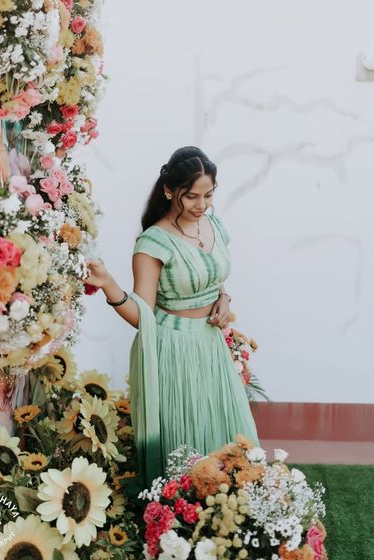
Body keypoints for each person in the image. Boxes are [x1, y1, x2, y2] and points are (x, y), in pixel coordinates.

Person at [86, 146, 259, 487]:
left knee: (225, 435)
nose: (201, 205)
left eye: (208, 195)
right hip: (174, 349)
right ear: (169, 191)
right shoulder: (154, 242)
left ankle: (227, 509)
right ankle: (179, 516)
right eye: (191, 196)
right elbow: (142, 315)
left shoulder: (213, 225)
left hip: (210, 344)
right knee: (187, 441)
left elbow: (214, 277)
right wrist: (108, 284)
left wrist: (223, 298)